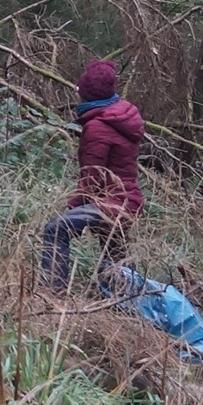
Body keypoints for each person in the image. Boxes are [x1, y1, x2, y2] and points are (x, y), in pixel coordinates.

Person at [37, 59, 145, 292]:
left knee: (55, 229)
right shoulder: (119, 117)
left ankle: (51, 294)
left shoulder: (98, 126)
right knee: (116, 257)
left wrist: (73, 206)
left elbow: (93, 177)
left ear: (86, 95)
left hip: (110, 203)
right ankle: (124, 300)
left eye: (78, 91)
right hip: (126, 201)